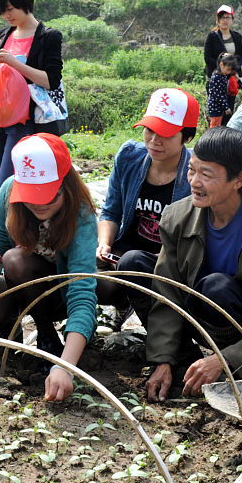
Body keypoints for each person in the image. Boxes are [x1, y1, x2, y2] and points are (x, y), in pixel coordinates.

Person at [144, 127, 242, 401]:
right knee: (136, 266)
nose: (194, 181)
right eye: (192, 170)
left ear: (238, 180)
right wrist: (163, 360)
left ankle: (225, 368)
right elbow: (166, 294)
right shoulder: (176, 218)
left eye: (207, 174)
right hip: (196, 318)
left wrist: (225, 360)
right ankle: (184, 360)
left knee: (217, 286)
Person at [0, 133, 97, 403]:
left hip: (57, 294)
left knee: (16, 260)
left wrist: (65, 366)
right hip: (20, 285)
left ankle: (48, 336)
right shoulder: (10, 192)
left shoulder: (80, 214)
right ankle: (9, 327)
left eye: (48, 195)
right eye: (32, 195)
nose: (39, 203)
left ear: (65, 185)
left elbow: (81, 293)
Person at [96, 87, 198, 327]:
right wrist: (104, 243)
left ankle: (164, 329)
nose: (154, 140)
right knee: (96, 281)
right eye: (149, 130)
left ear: (187, 136)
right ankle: (124, 304)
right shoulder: (130, 157)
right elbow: (111, 210)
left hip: (171, 260)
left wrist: (164, 257)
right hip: (126, 256)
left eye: (165, 134)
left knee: (133, 263)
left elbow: (199, 235)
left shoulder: (197, 173)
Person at [0, 0, 68, 185]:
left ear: (25, 2)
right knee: (3, 185)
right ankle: (12, 219)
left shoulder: (48, 36)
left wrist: (14, 63)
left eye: (10, 9)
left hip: (23, 121)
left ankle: (12, 218)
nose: (6, 15)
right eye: (2, 11)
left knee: (8, 184)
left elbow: (51, 81)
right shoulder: (3, 34)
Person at [203, 4, 242, 80]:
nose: (225, 20)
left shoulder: (237, 37)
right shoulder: (212, 36)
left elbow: (240, 57)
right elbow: (208, 58)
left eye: (228, 18)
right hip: (216, 76)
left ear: (232, 20)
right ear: (218, 21)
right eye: (222, 18)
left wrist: (236, 69)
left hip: (232, 76)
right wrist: (222, 68)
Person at [205, 53, 240, 128]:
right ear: (221, 64)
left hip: (219, 108)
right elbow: (219, 96)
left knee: (218, 126)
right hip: (215, 108)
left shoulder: (222, 76)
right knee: (215, 127)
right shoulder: (217, 78)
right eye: (228, 69)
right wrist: (226, 108)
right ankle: (211, 139)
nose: (228, 72)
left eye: (230, 70)